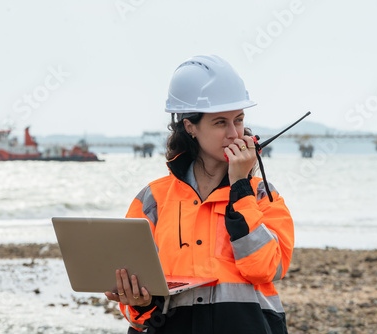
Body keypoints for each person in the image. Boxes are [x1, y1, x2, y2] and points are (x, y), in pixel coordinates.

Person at [104, 55, 294, 334]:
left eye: (238, 120)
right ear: (190, 126)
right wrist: (139, 303)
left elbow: (266, 268)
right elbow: (136, 311)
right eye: (220, 123)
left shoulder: (263, 195)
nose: (234, 133)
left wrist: (240, 186)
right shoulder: (153, 199)